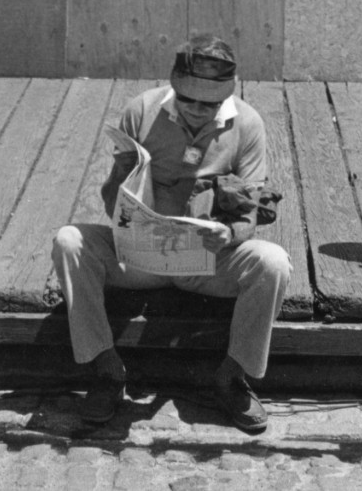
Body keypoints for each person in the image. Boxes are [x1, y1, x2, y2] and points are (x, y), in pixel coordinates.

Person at [51, 35, 291, 434]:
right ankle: (107, 369)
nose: (197, 110)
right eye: (187, 100)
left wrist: (228, 233)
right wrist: (122, 182)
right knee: (68, 241)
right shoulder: (141, 111)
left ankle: (233, 376)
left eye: (208, 104)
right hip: (140, 256)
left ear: (226, 97)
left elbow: (250, 215)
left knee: (274, 262)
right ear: (174, 87)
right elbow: (111, 201)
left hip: (205, 261)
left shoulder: (248, 125)